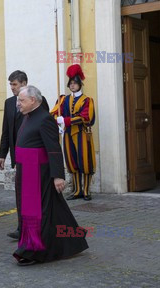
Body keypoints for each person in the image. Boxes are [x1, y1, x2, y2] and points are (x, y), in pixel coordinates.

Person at [12, 86, 88, 266]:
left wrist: (58, 176)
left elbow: (53, 148)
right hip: (26, 172)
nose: (18, 104)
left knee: (40, 213)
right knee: (55, 210)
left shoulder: (45, 119)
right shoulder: (27, 117)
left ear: (33, 100)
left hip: (38, 174)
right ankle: (72, 241)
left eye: (21, 101)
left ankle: (33, 250)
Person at [0, 70, 49, 239]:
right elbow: (6, 129)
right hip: (17, 156)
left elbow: (45, 127)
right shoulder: (9, 103)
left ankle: (37, 227)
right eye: (10, 84)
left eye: (15, 84)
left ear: (24, 83)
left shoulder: (39, 101)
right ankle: (21, 227)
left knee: (33, 195)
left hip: (35, 159)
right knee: (20, 194)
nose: (12, 88)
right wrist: (2, 154)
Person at [51, 64, 95, 201]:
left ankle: (86, 191)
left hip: (82, 134)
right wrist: (57, 120)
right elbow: (53, 113)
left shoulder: (87, 100)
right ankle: (77, 190)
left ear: (80, 84)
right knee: (72, 162)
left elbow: (86, 117)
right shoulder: (63, 99)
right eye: (71, 83)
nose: (73, 86)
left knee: (85, 163)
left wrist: (65, 120)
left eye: (75, 83)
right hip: (68, 134)